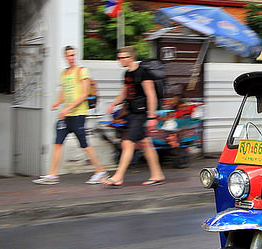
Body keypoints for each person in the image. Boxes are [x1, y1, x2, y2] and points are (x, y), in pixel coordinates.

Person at [33, 46, 107, 185]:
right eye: (69, 55)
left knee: (84, 144)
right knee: (57, 143)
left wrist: (68, 108)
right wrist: (57, 103)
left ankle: (100, 171)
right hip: (66, 115)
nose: (72, 58)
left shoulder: (82, 71)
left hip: (78, 114)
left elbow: (84, 94)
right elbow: (64, 91)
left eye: (73, 55)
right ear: (65, 57)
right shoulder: (64, 73)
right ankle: (52, 174)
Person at [102, 46, 165, 187]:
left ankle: (118, 176)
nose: (120, 60)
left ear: (130, 58)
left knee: (128, 143)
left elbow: (151, 95)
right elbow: (125, 93)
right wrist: (113, 104)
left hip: (141, 113)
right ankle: (157, 174)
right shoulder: (127, 74)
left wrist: (151, 117)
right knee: (146, 144)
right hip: (132, 112)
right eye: (119, 57)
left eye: (122, 57)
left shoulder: (143, 73)